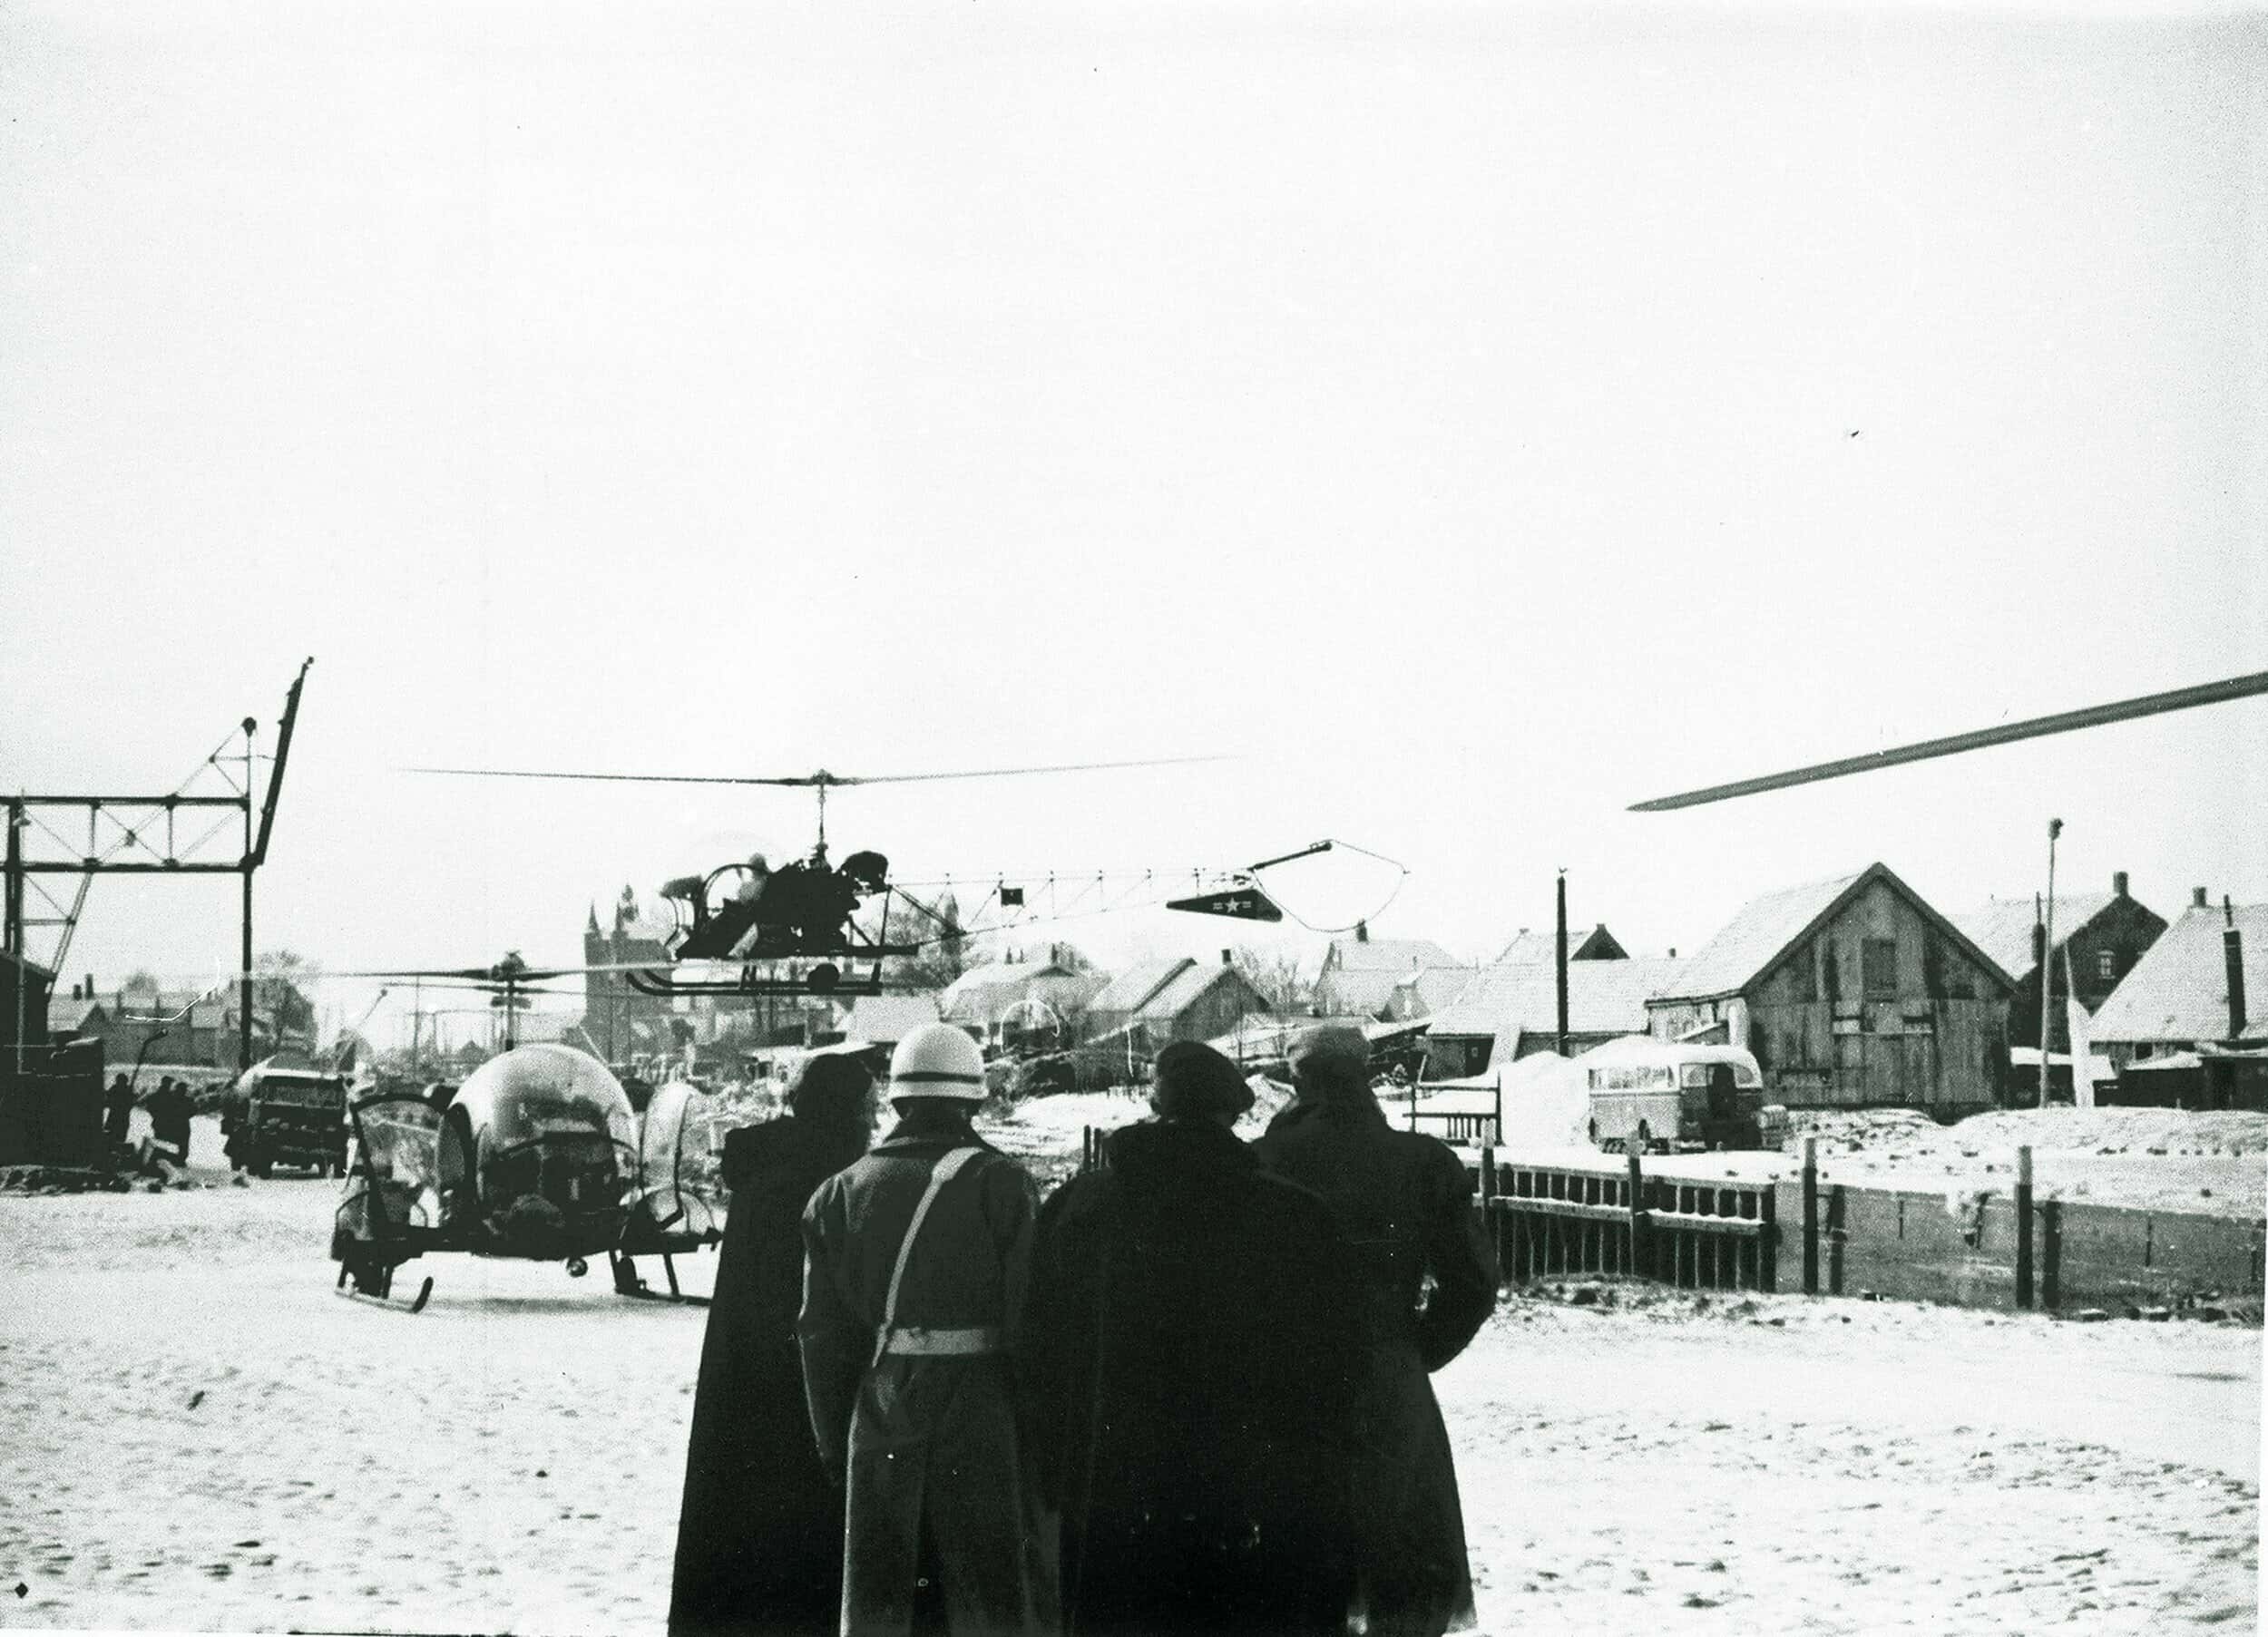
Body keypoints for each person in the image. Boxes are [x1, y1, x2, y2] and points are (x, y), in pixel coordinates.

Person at [1022, 1041, 1362, 1637]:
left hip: (1113, 1490)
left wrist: (1056, 1470)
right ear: (1233, 1113)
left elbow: (1041, 1350)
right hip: (1249, 1493)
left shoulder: (1079, 1206)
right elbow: (1331, 1369)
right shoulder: (1297, 1218)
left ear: (1154, 1105)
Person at [798, 1023, 1053, 1637]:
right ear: (975, 1096)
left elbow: (820, 1335)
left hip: (883, 1403)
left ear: (897, 1098)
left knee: (885, 1590)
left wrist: (837, 1440)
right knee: (988, 1589)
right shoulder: (1002, 1183)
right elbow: (1030, 1323)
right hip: (982, 1408)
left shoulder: (838, 1192)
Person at [1252, 1026, 1500, 1637]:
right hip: (1390, 1380)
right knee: (1404, 1563)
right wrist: (1415, 1348)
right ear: (1365, 1076)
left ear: (1300, 1080)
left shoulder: (1265, 1161)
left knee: (1297, 1571)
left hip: (1288, 1384)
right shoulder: (1422, 1162)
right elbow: (1474, 1283)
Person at [670, 1051, 878, 1637]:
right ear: (845, 1113)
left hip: (746, 1398)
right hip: (799, 1402)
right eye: (867, 1110)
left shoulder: (769, 1174)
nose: (873, 1123)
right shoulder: (823, 1186)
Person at [103, 1074, 135, 1146]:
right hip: (123, 1119)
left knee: (111, 1139)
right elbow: (130, 1104)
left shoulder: (114, 1089)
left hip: (113, 1118)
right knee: (121, 1139)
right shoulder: (127, 1090)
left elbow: (108, 1102)